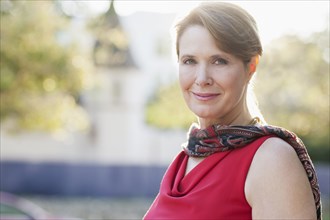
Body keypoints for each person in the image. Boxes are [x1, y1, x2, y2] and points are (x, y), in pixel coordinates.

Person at [144, 2, 321, 220]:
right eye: (189, 61)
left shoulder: (271, 160)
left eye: (219, 61)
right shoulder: (185, 157)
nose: (202, 79)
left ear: (251, 66)